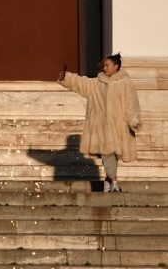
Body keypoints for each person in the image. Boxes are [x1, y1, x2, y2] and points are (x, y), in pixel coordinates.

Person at [58, 53, 141, 192]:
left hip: (119, 127)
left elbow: (131, 104)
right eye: (104, 65)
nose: (104, 67)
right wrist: (67, 77)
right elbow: (81, 83)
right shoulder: (98, 83)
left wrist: (134, 120)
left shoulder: (126, 83)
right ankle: (114, 181)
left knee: (114, 155)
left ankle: (109, 179)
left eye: (107, 65)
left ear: (116, 66)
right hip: (102, 128)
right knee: (107, 153)